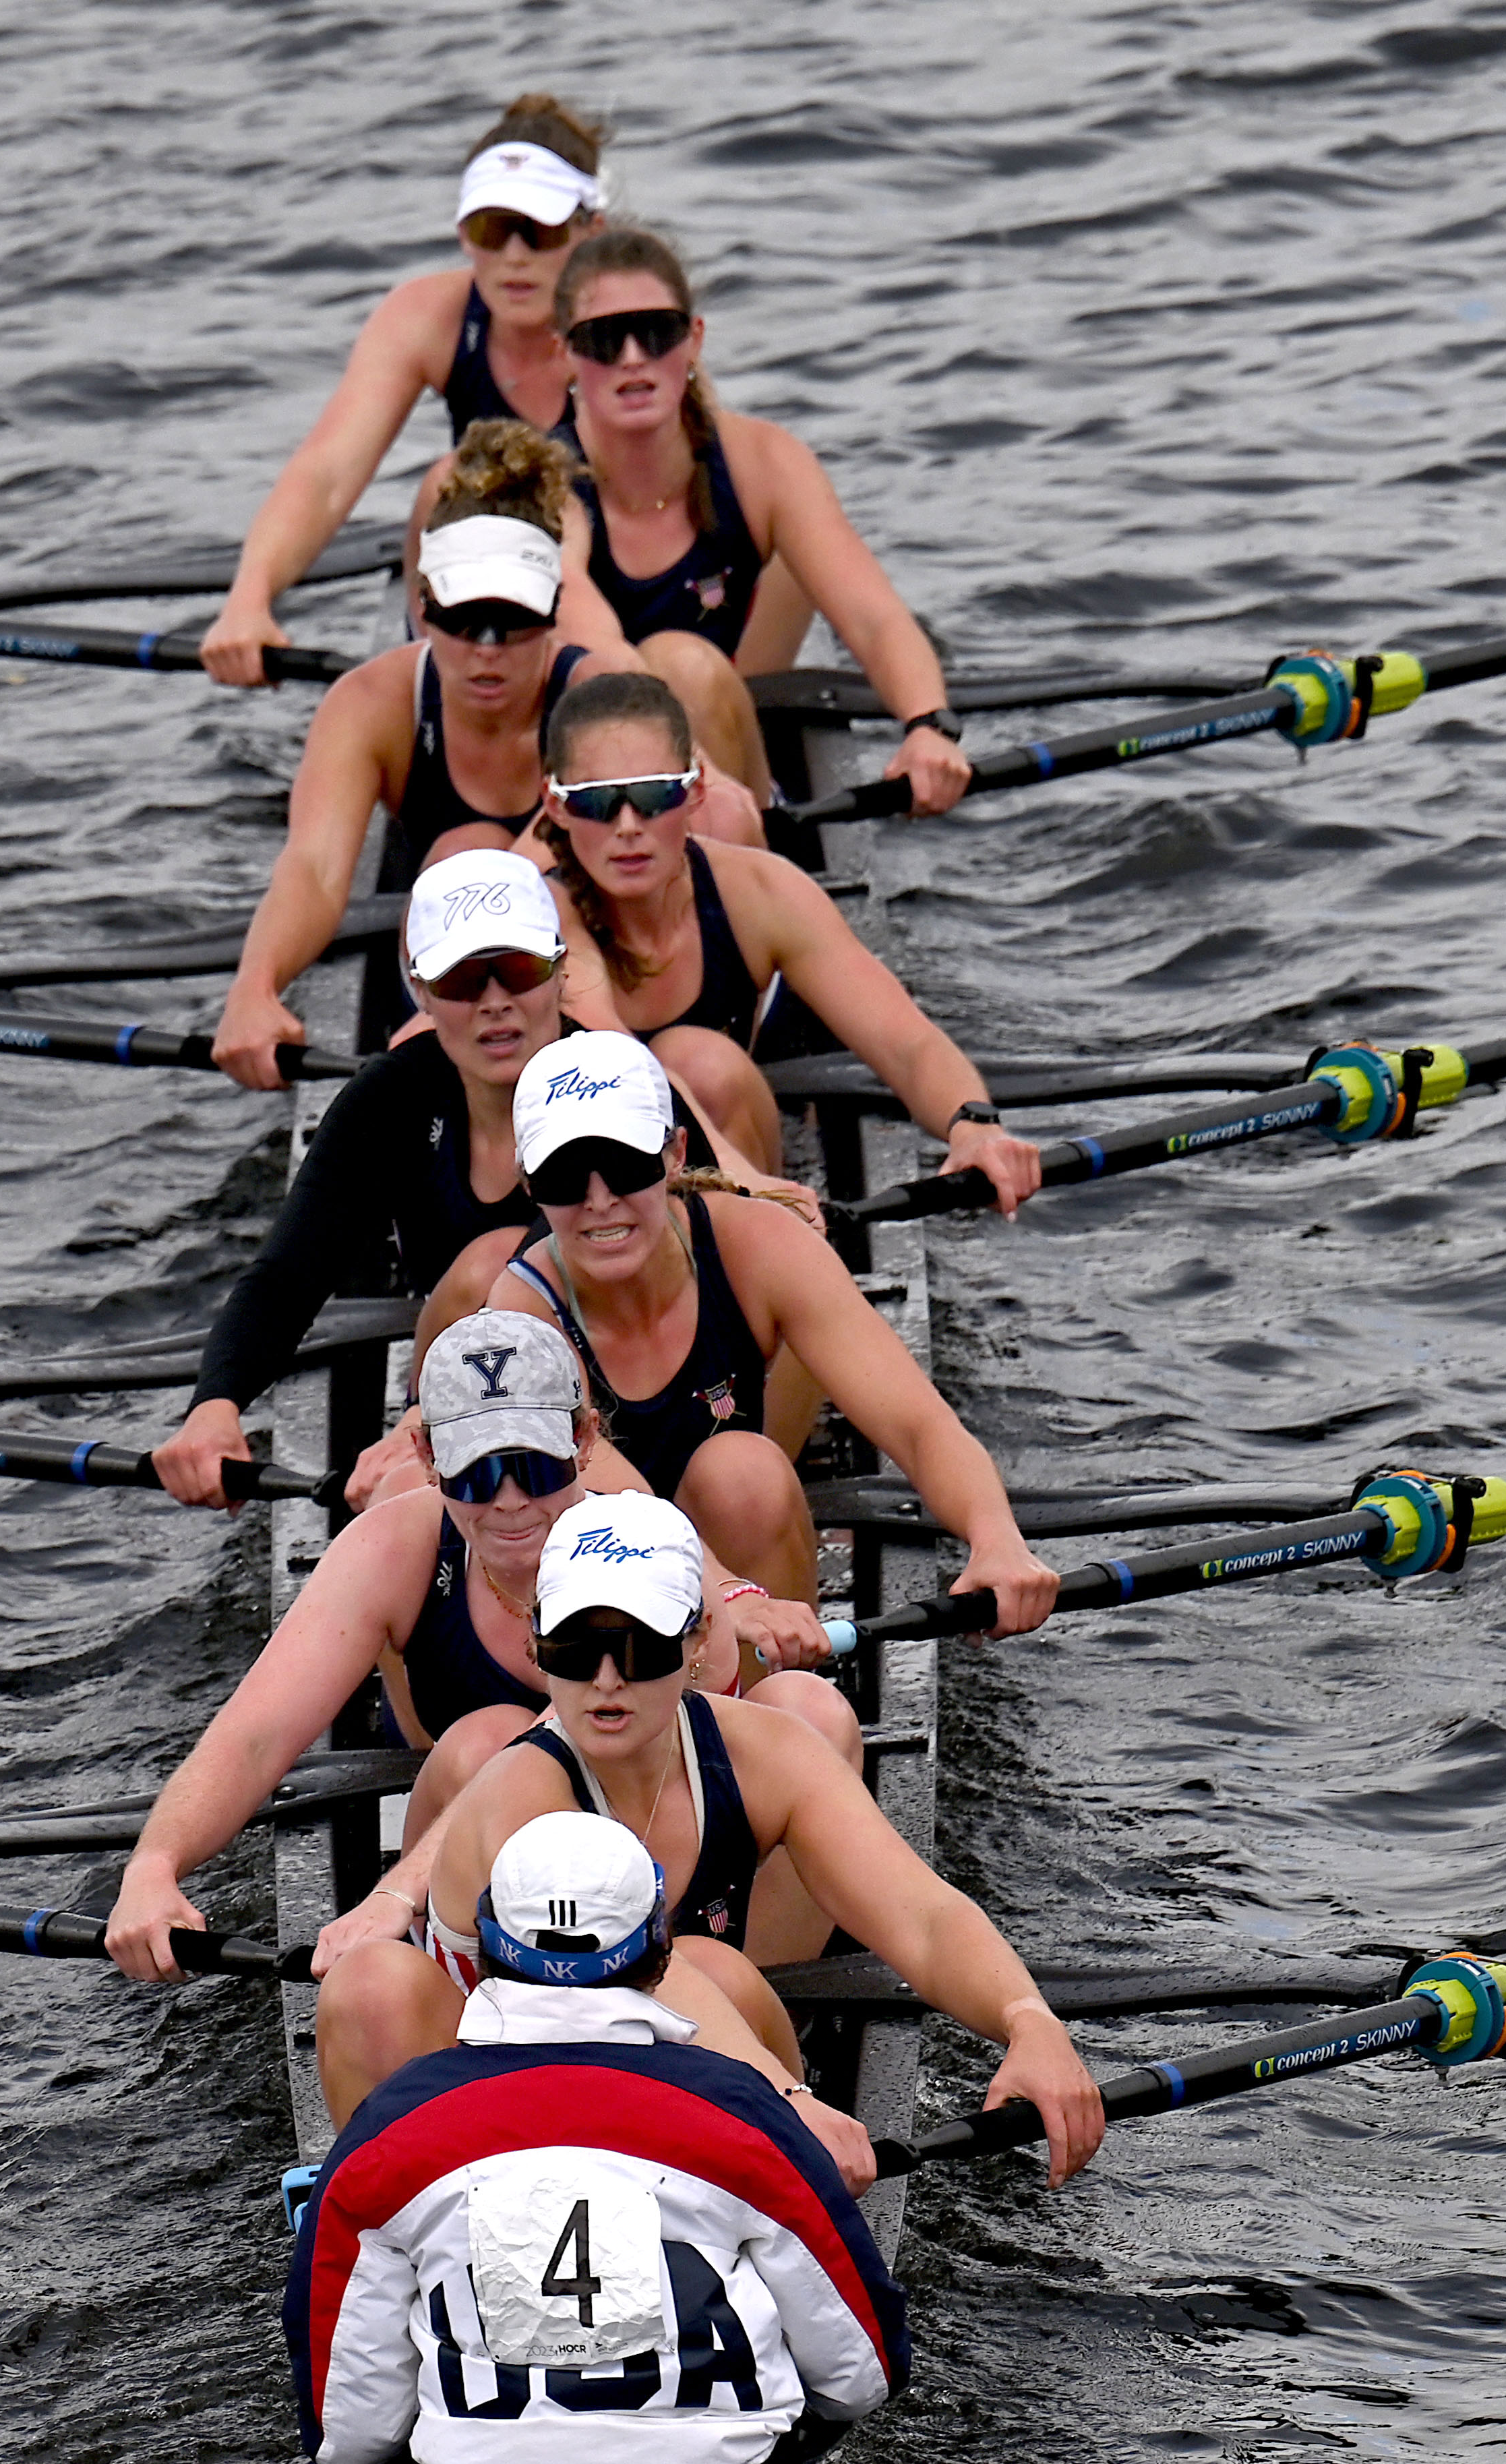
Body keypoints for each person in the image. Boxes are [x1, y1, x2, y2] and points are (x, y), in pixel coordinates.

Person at [311, 1490, 1108, 2182]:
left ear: (696, 1645)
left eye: (641, 1648)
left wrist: (1027, 2020)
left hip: (684, 2079)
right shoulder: (524, 1787)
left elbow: (923, 1918)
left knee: (714, 1969)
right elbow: (640, 1980)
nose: (607, 1681)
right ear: (534, 1646)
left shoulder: (765, 1753)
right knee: (370, 1988)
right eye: (576, 1650)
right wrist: (795, 2099)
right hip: (499, 2101)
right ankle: (401, 2241)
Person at [105, 1319, 839, 1993]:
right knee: (480, 1740)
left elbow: (557, 1744)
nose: (511, 1503)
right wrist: (154, 1865)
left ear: (584, 1441)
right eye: (478, 1473)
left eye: (535, 1466)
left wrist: (395, 1891)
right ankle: (473, 2013)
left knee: (812, 1715)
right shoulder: (395, 1546)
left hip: (666, 1861)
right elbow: (256, 1735)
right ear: (426, 1457)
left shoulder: (645, 1557)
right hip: (481, 1862)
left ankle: (761, 2013)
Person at [290, 1809, 905, 2464]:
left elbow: (346, 2435)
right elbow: (862, 2376)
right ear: (661, 1953)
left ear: (488, 1953)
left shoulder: (390, 2133)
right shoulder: (746, 2114)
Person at [152, 848, 772, 1513]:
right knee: (487, 1269)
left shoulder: (628, 1098)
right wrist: (216, 1405)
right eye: (462, 981)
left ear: (562, 971)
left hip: (667, 1406)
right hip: (495, 1410)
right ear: (420, 992)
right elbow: (286, 1276)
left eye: (520, 970)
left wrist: (421, 1420)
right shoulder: (390, 1099)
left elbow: (729, 1275)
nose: (496, 1003)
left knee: (491, 1263)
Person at [398, 1034, 1064, 1635]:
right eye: (566, 1178)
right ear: (528, 1185)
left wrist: (995, 1537)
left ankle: (777, 1709)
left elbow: (919, 1425)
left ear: (677, 1153)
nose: (601, 1201)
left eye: (628, 1166)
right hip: (584, 1572)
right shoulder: (524, 1317)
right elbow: (623, 1511)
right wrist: (732, 1594)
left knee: (744, 1477)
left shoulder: (759, 1245)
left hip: (721, 1520)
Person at [208, 427, 756, 1081]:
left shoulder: (598, 690)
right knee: (462, 853)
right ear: (423, 609)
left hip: (596, 942)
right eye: (465, 620)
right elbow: (317, 870)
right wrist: (255, 985)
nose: (488, 649)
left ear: (555, 611)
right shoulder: (372, 705)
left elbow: (721, 805)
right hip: (478, 968)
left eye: (512, 618)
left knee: (722, 820)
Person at [531, 671, 1048, 1213]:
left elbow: (906, 1043)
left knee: (706, 1065)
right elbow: (626, 1074)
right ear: (557, 805)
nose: (629, 825)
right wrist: (742, 1179)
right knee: (683, 1062)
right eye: (597, 803)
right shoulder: (546, 918)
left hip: (709, 1151)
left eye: (656, 795)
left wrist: (973, 1125)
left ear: (696, 790)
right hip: (585, 1183)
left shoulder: (759, 892)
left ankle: (751, 1255)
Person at [547, 222, 971, 817]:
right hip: (592, 770)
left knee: (694, 660)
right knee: (676, 664)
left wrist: (929, 725)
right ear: (563, 352)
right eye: (604, 339)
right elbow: (598, 653)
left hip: (712, 753)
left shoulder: (763, 463)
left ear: (693, 340)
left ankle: (741, 831)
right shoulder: (545, 487)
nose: (634, 357)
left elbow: (876, 620)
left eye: (656, 332)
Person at [200, 99, 611, 691]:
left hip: (611, 564)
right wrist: (250, 599)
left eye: (539, 231)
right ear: (464, 237)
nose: (514, 257)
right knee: (454, 477)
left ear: (589, 231)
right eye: (491, 231)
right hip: (487, 580)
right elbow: (328, 475)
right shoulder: (427, 317)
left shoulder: (632, 315)